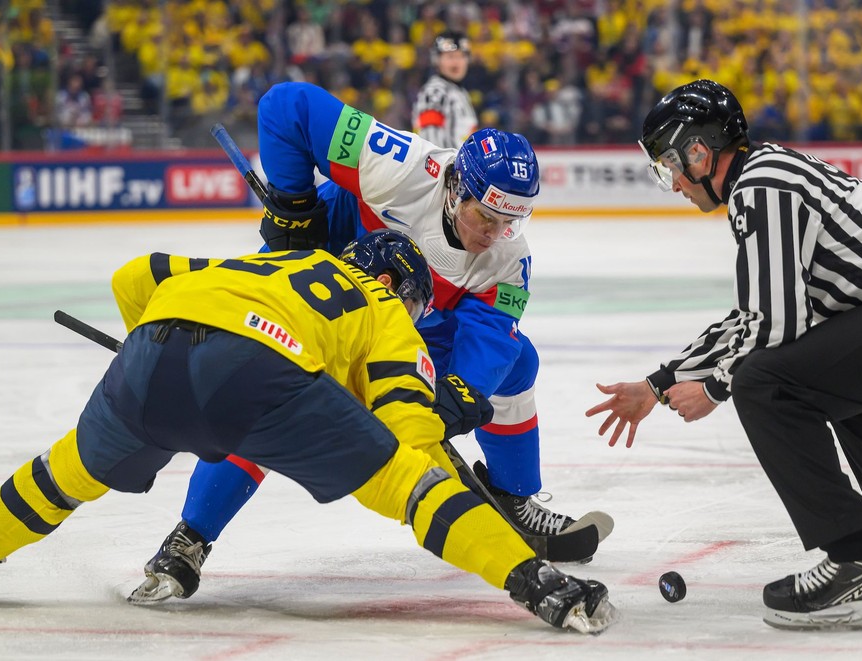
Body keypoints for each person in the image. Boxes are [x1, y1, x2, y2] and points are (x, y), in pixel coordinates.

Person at [0, 229, 615, 634]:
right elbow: (409, 429)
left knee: (61, 475)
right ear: (400, 286)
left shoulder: (257, 261)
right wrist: (448, 414)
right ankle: (539, 585)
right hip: (259, 374)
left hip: (151, 353)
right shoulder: (385, 307)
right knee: (412, 483)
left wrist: (145, 357)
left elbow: (138, 272)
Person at [130, 81, 613, 605]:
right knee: (272, 393)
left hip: (402, 329)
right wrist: (294, 206)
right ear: (455, 188)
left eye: (511, 221)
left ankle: (514, 496)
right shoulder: (401, 166)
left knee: (519, 362)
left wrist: (452, 399)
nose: (494, 233)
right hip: (317, 302)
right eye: (486, 216)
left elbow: (492, 340)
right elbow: (286, 106)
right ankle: (191, 537)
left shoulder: (507, 260)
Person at [585, 79, 862, 630]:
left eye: (668, 165)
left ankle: (856, 557)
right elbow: (758, 319)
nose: (672, 183)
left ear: (698, 151)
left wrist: (717, 386)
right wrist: (659, 384)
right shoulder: (769, 174)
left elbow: (773, 327)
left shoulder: (763, 187)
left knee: (766, 384)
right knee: (831, 374)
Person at [411, 31, 478, 148]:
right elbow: (430, 139)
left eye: (461, 56)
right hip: (443, 165)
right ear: (437, 60)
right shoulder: (435, 92)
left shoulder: (459, 92)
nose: (456, 62)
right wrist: (447, 166)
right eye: (450, 57)